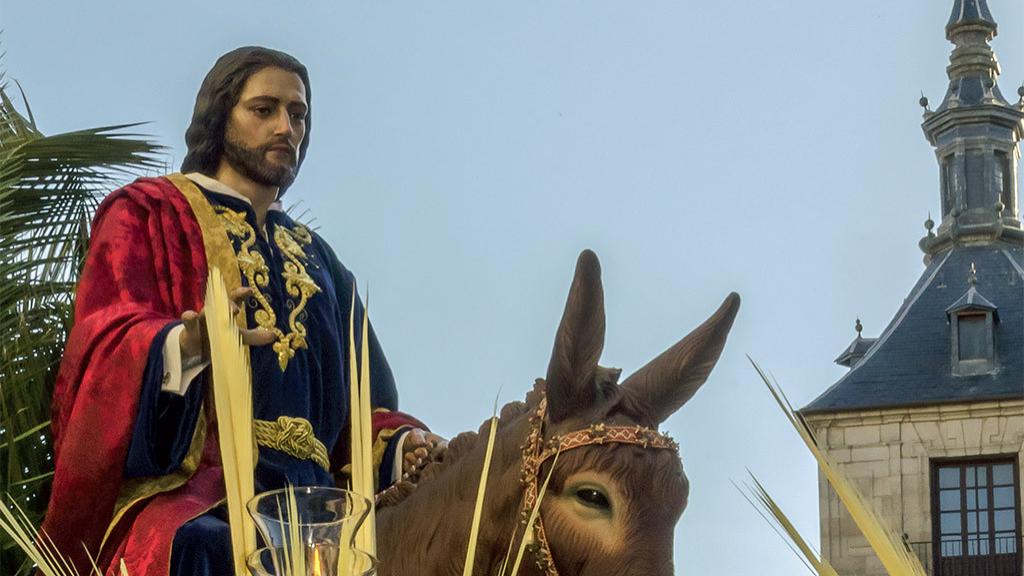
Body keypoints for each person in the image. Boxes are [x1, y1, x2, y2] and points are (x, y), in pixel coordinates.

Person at [40, 46, 443, 576]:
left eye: (298, 115)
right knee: (204, 546)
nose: (286, 127)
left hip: (320, 511)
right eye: (264, 109)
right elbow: (101, 339)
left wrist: (405, 442)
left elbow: (362, 414)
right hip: (201, 493)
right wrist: (184, 345)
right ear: (219, 114)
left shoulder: (323, 262)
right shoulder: (148, 212)